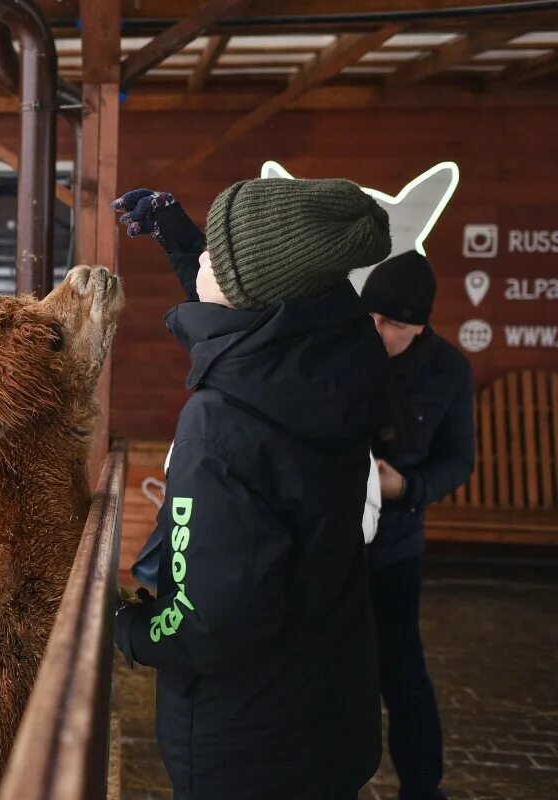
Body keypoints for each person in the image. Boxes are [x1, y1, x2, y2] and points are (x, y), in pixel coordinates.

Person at [112, 179, 392, 799]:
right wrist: (183, 244)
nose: (205, 255)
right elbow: (255, 320)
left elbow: (203, 624)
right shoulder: (339, 357)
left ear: (249, 289)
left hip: (244, 746)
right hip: (326, 715)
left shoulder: (221, 425)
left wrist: (127, 628)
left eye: (217, 249)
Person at [361, 250, 474, 800]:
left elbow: (458, 460)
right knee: (324, 672)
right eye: (372, 319)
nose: (379, 332)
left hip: (394, 544)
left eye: (395, 325)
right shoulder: (342, 346)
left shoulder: (449, 370)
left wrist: (405, 486)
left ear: (421, 325)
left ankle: (422, 789)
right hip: (325, 541)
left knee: (402, 673)